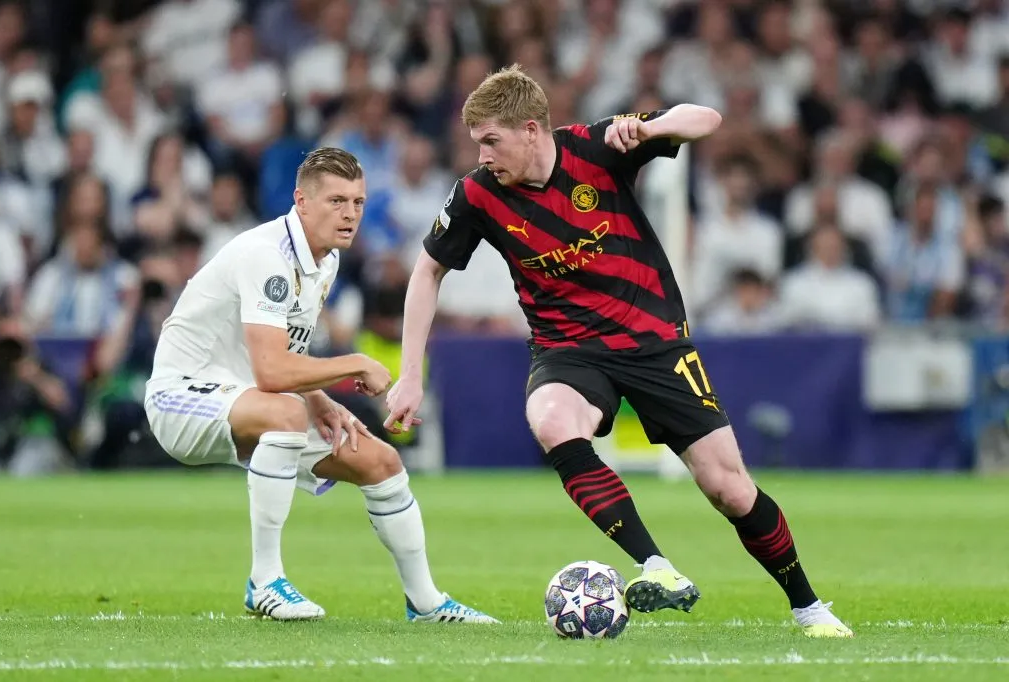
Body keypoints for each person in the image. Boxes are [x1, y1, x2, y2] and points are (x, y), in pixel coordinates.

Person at [384, 65, 852, 638]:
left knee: (728, 488)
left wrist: (653, 130)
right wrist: (410, 375)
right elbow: (427, 272)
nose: (481, 155)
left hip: (653, 342)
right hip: (568, 351)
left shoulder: (597, 147)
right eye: (476, 142)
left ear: (531, 130)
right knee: (551, 419)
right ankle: (654, 564)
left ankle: (808, 605)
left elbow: (705, 119)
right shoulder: (478, 194)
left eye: (490, 140)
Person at [144, 147, 496, 624]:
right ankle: (264, 582)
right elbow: (271, 371)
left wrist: (320, 399)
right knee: (284, 413)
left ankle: (426, 602)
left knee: (380, 461)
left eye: (357, 202)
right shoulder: (267, 256)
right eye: (336, 201)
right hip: (180, 396)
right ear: (301, 202)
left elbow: (282, 353)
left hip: (250, 399)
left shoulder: (323, 259)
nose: (350, 214)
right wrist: (351, 364)